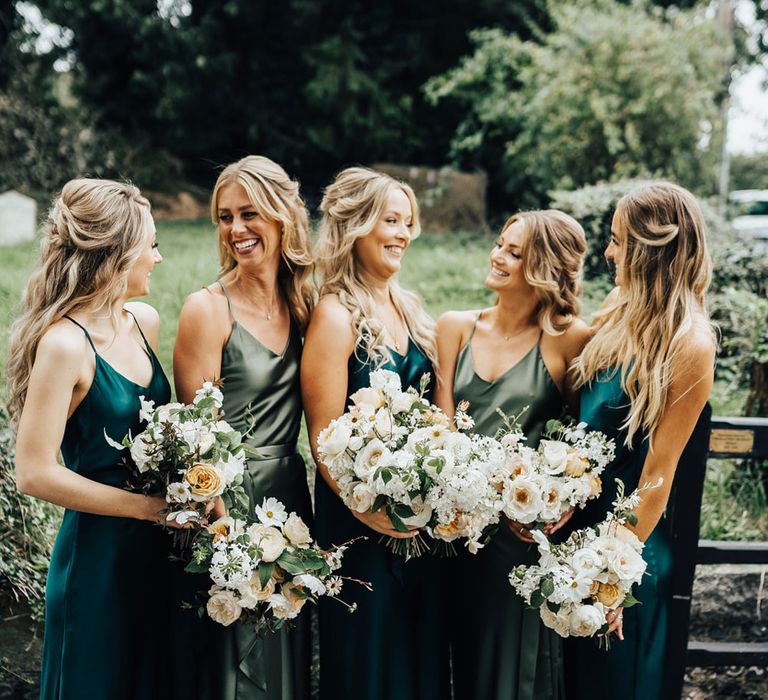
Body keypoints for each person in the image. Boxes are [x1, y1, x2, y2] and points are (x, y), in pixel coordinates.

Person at [8, 179, 173, 700]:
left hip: (157, 552)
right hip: (97, 559)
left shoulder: (143, 322)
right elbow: (33, 472)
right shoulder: (63, 344)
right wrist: (146, 508)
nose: (159, 257)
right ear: (118, 253)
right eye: (150, 244)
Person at [302, 167, 450, 700]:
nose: (404, 234)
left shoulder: (409, 308)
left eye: (408, 222)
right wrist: (371, 512)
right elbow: (323, 437)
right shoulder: (335, 315)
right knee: (371, 659)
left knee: (418, 655)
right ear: (355, 227)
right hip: (358, 525)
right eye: (391, 220)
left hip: (418, 525)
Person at [565, 182, 716, 700]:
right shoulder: (617, 305)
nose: (608, 252)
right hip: (571, 533)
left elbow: (659, 469)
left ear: (655, 249)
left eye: (618, 241)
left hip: (625, 546)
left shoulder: (690, 342)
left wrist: (612, 574)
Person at [171, 155, 314, 700]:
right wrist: (228, 537)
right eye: (225, 217)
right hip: (229, 501)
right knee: (237, 655)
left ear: (281, 218)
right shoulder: (206, 309)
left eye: (249, 213)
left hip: (289, 497)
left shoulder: (302, 303)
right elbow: (195, 442)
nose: (236, 230)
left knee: (285, 649)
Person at [434, 210, 591, 700]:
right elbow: (440, 433)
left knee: (506, 672)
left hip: (517, 540)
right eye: (500, 244)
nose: (497, 256)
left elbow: (577, 444)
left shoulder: (570, 339)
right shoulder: (453, 327)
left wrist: (561, 498)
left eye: (514, 252)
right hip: (446, 529)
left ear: (543, 267)